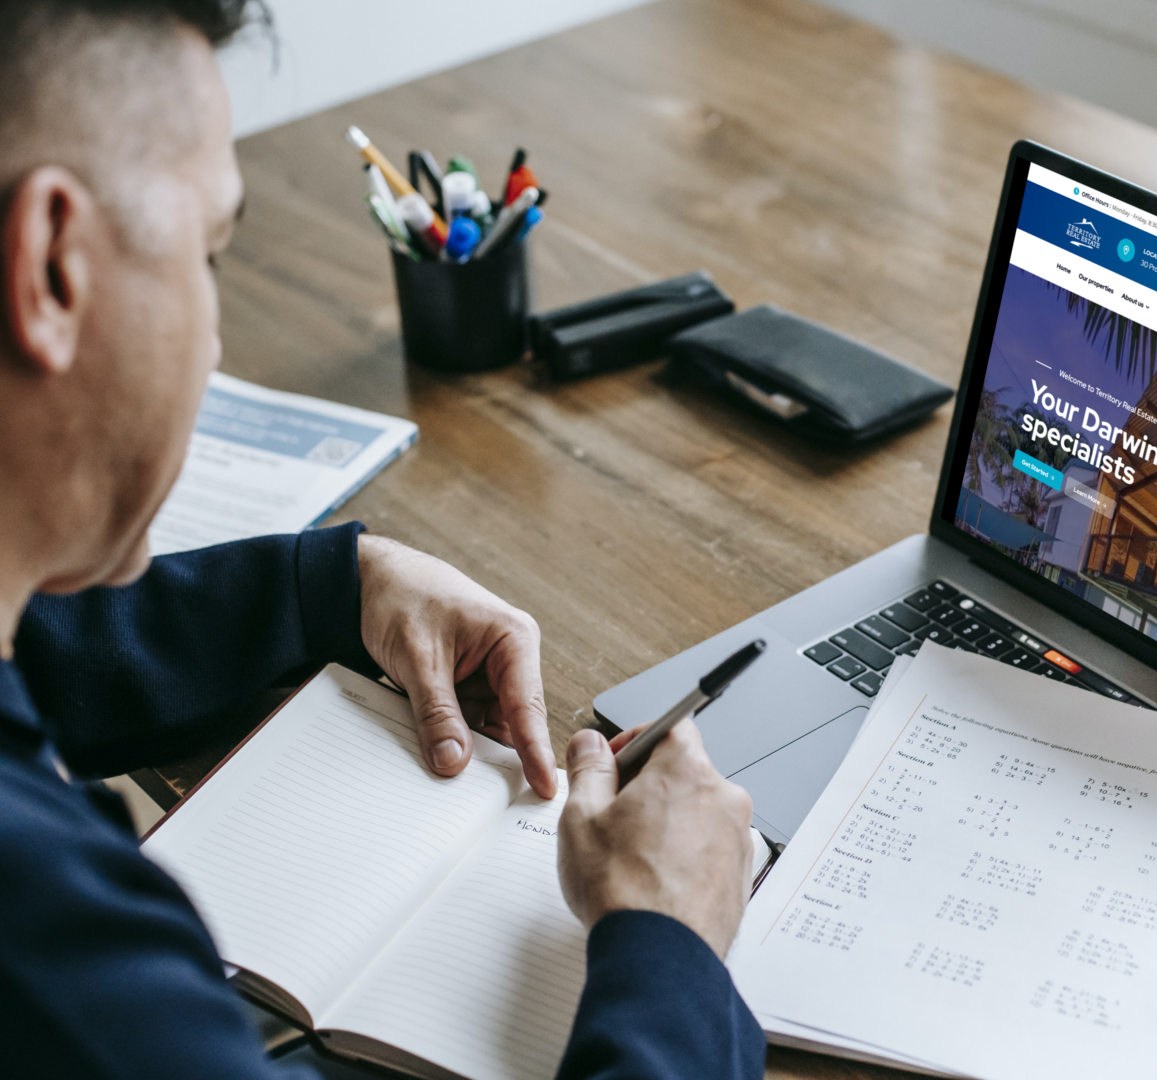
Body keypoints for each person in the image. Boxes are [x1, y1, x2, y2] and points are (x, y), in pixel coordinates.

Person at [0, 2, 765, 1077]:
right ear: (52, 268)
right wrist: (672, 951)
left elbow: (34, 652)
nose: (212, 333)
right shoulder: (61, 964)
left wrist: (328, 585)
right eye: (209, 255)